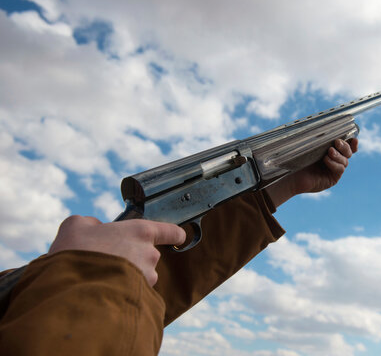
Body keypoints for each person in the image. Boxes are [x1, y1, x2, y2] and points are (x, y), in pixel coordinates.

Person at [0, 139, 358, 355]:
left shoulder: (28, 296)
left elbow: (148, 290)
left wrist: (287, 183)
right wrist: (94, 271)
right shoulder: (81, 290)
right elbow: (89, 327)